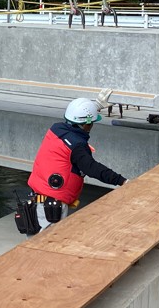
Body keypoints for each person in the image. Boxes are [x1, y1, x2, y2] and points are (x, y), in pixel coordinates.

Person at [16, 97, 127, 236]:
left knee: (36, 242)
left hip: (38, 200)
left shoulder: (56, 129)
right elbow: (92, 168)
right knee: (47, 247)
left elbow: (78, 116)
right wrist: (121, 181)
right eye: (91, 122)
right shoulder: (77, 146)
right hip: (50, 207)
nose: (91, 126)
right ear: (86, 124)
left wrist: (95, 106)